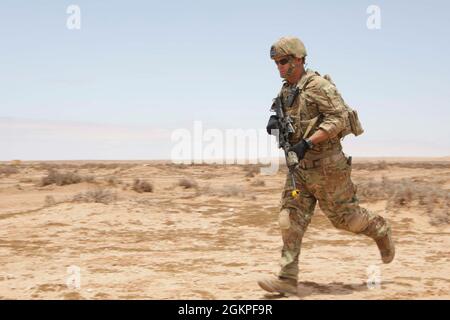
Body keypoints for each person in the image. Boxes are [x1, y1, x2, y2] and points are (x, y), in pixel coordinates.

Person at [258, 36, 395, 296]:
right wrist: (275, 123)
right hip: (300, 170)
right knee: (289, 219)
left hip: (328, 168)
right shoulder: (285, 92)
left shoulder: (319, 86)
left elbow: (340, 119)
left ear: (299, 59)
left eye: (284, 61)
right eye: (276, 62)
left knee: (347, 220)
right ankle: (287, 278)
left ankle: (380, 229)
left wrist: (308, 142)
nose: (279, 67)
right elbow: (289, 121)